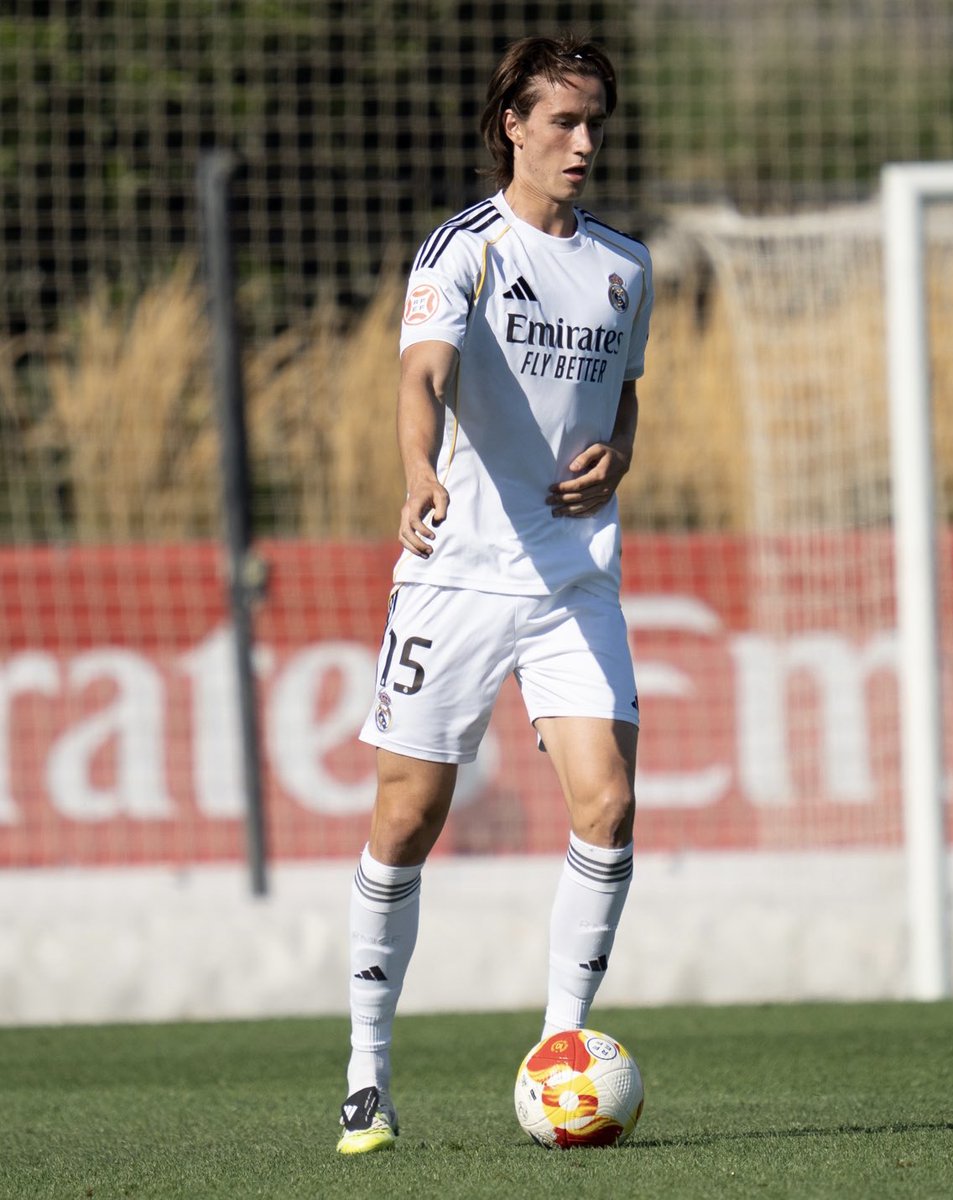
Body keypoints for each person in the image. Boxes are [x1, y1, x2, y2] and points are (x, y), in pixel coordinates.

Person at [337, 32, 654, 1155]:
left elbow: (621, 393)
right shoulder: (464, 248)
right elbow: (421, 372)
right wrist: (417, 468)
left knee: (607, 804)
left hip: (572, 576)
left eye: (594, 122)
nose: (583, 142)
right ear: (511, 126)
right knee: (405, 816)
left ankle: (561, 1046)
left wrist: (618, 452)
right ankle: (367, 1072)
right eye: (562, 121)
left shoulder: (625, 265)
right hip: (458, 574)